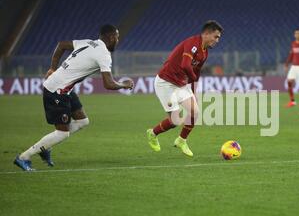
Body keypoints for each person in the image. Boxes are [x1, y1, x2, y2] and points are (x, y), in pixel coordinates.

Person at [14, 24, 134, 171]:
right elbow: (108, 84)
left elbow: (62, 45)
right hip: (56, 91)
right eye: (117, 37)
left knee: (83, 121)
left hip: (65, 89)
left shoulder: (87, 42)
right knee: (62, 134)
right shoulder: (103, 54)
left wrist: (53, 68)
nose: (118, 40)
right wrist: (124, 84)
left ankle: (46, 145)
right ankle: (23, 157)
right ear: (111, 37)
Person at [146, 20, 223, 157]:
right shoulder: (192, 43)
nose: (217, 40)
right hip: (166, 83)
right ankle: (152, 133)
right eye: (216, 36)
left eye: (218, 38)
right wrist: (191, 80)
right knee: (175, 121)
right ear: (206, 33)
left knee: (195, 112)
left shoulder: (204, 53)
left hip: (181, 84)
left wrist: (194, 91)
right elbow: (186, 66)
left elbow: (196, 73)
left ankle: (181, 140)